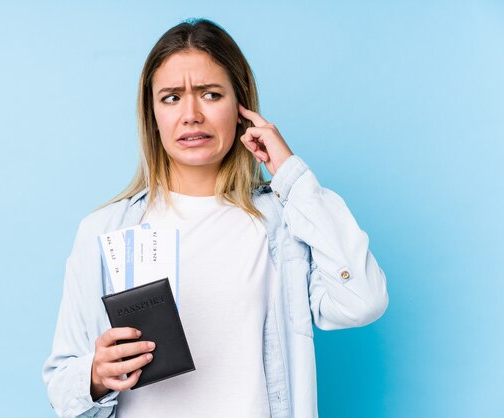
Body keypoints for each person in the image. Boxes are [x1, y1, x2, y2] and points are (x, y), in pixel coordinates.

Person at [42, 18, 388, 418]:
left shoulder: (282, 223)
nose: (191, 115)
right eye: (171, 98)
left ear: (241, 108)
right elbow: (61, 383)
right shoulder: (104, 230)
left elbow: (363, 301)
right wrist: (97, 375)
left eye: (210, 94)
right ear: (152, 114)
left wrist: (292, 176)